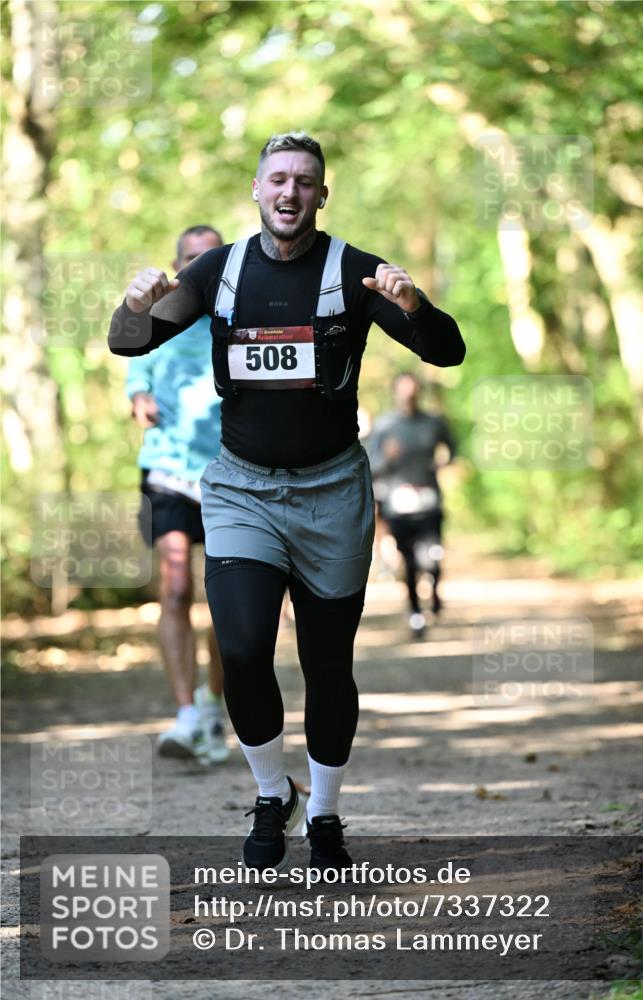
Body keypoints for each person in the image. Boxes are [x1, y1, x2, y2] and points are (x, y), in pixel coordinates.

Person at [109, 131, 465, 872]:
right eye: (278, 178)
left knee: (327, 666)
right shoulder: (217, 270)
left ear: (321, 195)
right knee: (241, 651)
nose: (289, 192)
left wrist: (414, 303)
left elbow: (446, 350)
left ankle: (326, 811)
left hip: (332, 491)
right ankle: (272, 794)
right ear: (256, 188)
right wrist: (132, 304)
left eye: (304, 181)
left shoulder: (354, 271)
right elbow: (128, 344)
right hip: (241, 488)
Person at [127, 224, 230, 763]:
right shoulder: (158, 320)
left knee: (225, 605)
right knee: (174, 589)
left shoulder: (237, 320)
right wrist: (139, 393)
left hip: (228, 476)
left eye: (209, 259)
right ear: (177, 266)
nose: (198, 268)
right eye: (190, 260)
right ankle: (186, 713)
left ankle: (214, 705)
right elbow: (136, 366)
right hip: (167, 471)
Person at [368, 372, 456, 639]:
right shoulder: (385, 426)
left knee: (431, 558)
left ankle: (435, 590)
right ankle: (416, 612)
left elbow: (453, 447)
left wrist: (444, 461)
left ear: (419, 392)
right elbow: (371, 468)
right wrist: (387, 458)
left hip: (429, 497)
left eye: (414, 391)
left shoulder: (433, 422)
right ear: (396, 393)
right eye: (404, 391)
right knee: (409, 560)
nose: (410, 396)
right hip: (398, 502)